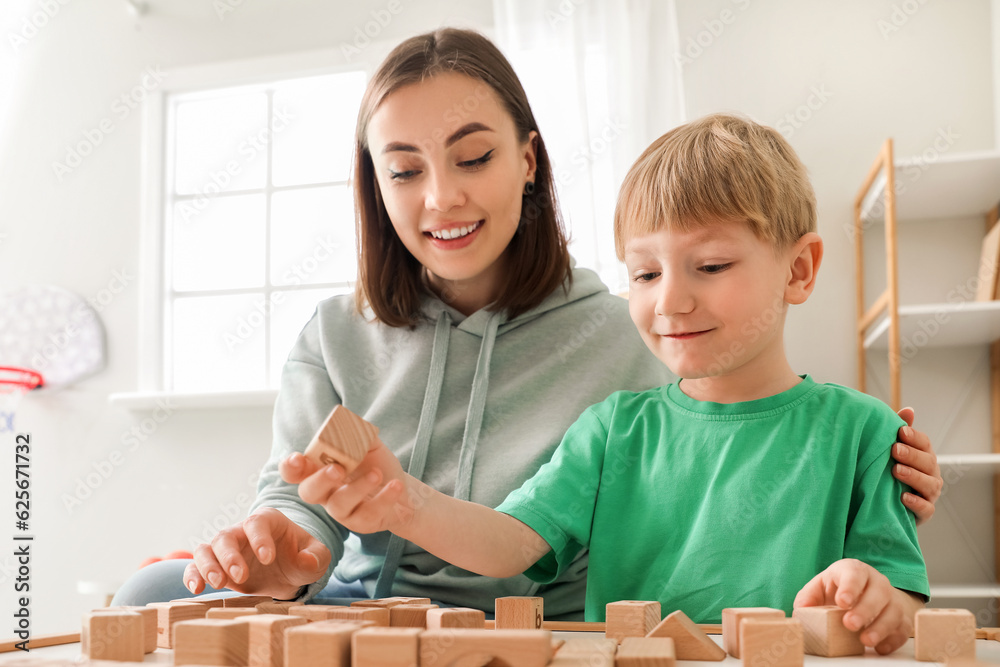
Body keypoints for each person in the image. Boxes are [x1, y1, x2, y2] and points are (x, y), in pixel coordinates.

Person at [112, 29, 941, 620]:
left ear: (529, 161)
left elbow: (747, 423)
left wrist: (878, 466)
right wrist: (274, 550)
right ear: (376, 183)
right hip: (351, 605)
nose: (441, 198)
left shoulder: (637, 332)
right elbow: (303, 502)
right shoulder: (333, 331)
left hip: (531, 624)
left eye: (473, 157)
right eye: (404, 171)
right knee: (153, 593)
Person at [297, 113, 929, 655]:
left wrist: (873, 598)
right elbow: (508, 544)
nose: (671, 301)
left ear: (798, 269)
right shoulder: (612, 429)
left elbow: (901, 601)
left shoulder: (866, 434)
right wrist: (402, 500)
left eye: (709, 266)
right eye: (646, 274)